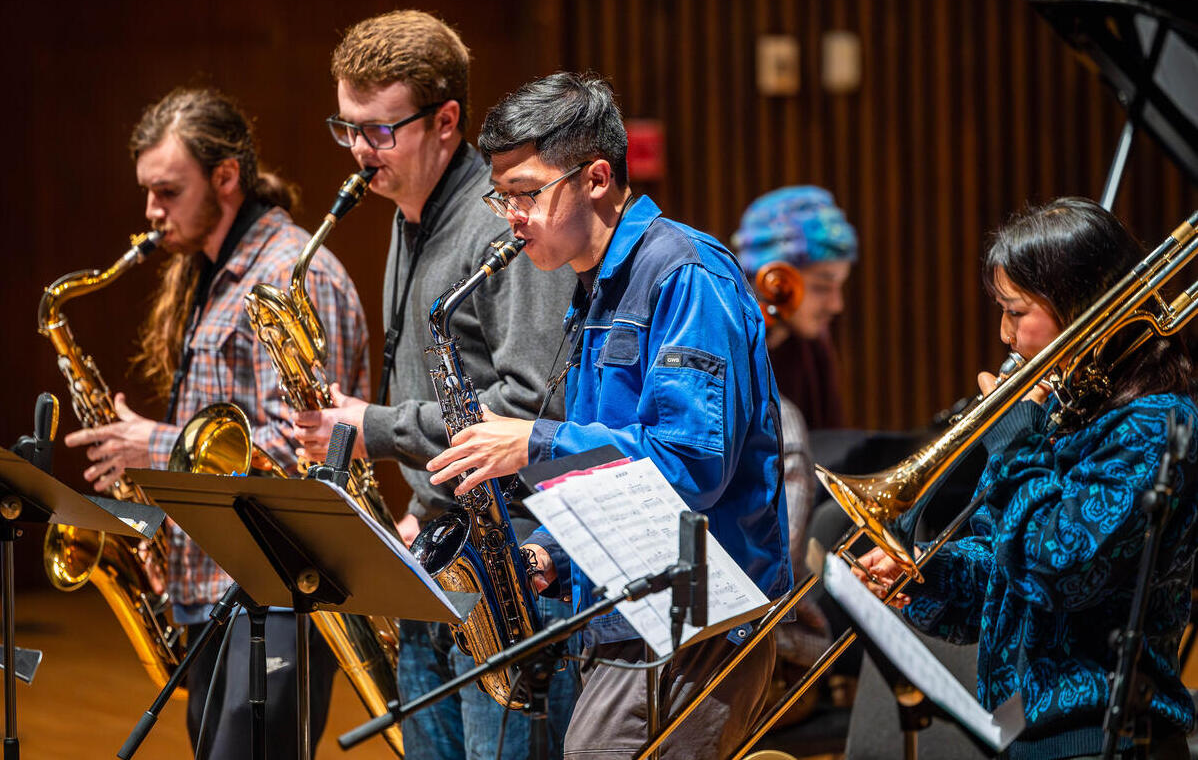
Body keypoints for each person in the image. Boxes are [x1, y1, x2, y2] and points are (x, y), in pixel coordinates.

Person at [426, 71, 792, 759]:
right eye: (501, 196)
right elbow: (620, 484)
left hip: (697, 624)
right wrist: (553, 559)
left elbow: (691, 467)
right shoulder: (596, 289)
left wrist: (535, 441)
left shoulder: (683, 273)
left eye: (528, 193)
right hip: (638, 616)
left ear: (596, 178)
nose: (513, 216)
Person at [290, 10, 578, 760]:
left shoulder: (501, 226)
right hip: (438, 550)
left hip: (511, 569)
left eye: (380, 130)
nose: (359, 150)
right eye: (347, 126)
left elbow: (529, 407)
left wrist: (372, 424)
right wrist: (420, 510)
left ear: (446, 120)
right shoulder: (406, 215)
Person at [63, 87, 367, 757]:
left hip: (275, 600)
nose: (150, 212)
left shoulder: (291, 278)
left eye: (168, 191)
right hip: (213, 591)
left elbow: (309, 456)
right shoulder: (212, 276)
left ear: (226, 176)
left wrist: (158, 443)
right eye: (147, 191)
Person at [854, 197, 1198, 760]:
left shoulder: (1156, 424)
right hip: (1021, 731)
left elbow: (1060, 569)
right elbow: (1002, 572)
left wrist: (1014, 441)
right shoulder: (1063, 415)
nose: (1004, 334)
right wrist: (924, 574)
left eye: (1016, 311)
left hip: (1104, 740)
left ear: (1081, 307)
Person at [732, 186, 857, 430]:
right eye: (822, 287)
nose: (836, 305)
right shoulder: (729, 345)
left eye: (839, 286)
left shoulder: (813, 345)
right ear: (773, 279)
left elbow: (830, 442)